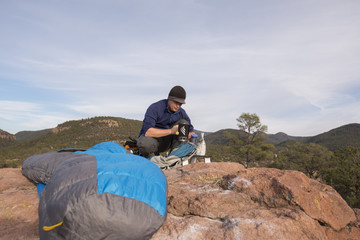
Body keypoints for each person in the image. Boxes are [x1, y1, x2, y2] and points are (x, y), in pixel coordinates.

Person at [137, 85, 195, 158]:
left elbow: (192, 131)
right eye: (176, 102)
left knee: (183, 123)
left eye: (180, 104)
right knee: (145, 144)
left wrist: (189, 134)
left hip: (168, 142)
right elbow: (148, 132)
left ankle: (173, 158)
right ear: (169, 99)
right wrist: (171, 131)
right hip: (153, 140)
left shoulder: (181, 113)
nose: (178, 106)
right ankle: (153, 160)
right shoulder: (155, 108)